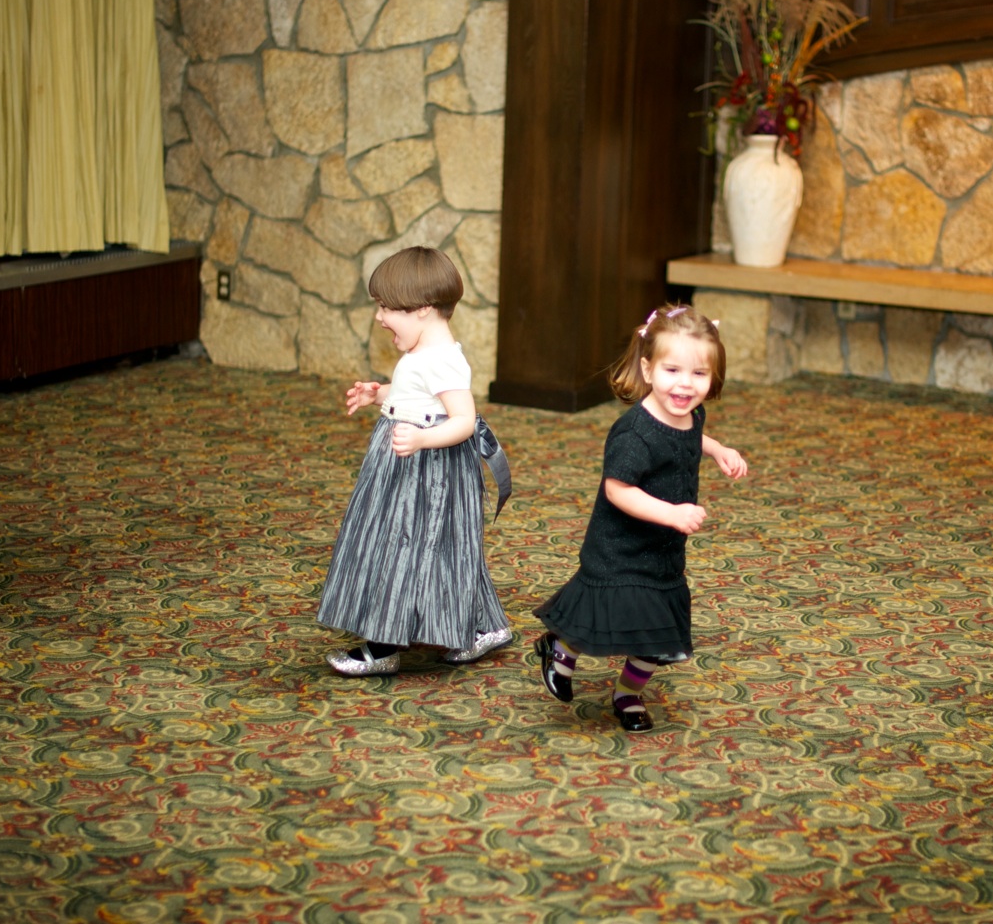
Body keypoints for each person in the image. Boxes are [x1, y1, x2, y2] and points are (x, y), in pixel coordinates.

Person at [533, 304, 748, 732]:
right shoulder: (634, 433)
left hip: (663, 550)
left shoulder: (691, 412)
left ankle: (627, 694)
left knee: (657, 632)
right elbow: (618, 489)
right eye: (672, 370)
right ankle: (561, 647)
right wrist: (672, 512)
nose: (685, 385)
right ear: (648, 370)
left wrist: (719, 449)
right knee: (600, 613)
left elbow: (690, 435)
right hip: (621, 545)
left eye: (699, 374)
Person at [318, 246, 512, 676]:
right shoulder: (424, 354)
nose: (379, 317)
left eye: (388, 308)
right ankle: (481, 627)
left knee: (404, 544)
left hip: (430, 473)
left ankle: (383, 646)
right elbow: (415, 394)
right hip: (404, 466)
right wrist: (380, 394)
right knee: (437, 547)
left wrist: (423, 439)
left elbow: (463, 420)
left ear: (422, 309)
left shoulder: (445, 361)